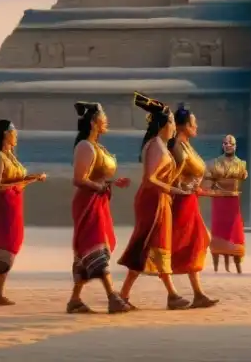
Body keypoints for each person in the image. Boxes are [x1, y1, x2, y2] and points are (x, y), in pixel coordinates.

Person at [118, 93, 191, 310]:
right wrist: (174, 189)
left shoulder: (160, 145)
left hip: (161, 199)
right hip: (152, 200)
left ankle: (126, 294)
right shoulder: (156, 146)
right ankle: (172, 295)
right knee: (148, 243)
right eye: (170, 122)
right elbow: (151, 178)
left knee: (153, 246)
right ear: (163, 124)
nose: (173, 127)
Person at [0, 120, 47, 307]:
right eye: (14, 133)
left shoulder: (11, 156)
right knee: (5, 245)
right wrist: (20, 183)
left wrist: (34, 178)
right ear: (6, 134)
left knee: (8, 246)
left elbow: (18, 180)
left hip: (14, 203)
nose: (16, 136)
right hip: (4, 204)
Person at [67, 102, 131, 314]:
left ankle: (75, 300)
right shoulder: (85, 146)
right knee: (95, 246)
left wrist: (112, 184)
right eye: (104, 117)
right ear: (94, 122)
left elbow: (97, 177)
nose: (107, 121)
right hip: (87, 203)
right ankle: (112, 297)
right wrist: (99, 186)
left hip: (98, 201)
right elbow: (79, 179)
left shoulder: (98, 147)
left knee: (92, 248)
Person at [166, 105, 220, 308]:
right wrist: (184, 187)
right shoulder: (177, 147)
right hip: (180, 202)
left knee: (197, 241)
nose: (196, 126)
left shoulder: (186, 144)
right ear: (184, 126)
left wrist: (197, 188)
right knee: (172, 245)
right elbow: (172, 175)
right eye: (193, 123)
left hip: (190, 200)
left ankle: (197, 293)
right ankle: (172, 292)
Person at [205, 134, 248, 273]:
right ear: (222, 145)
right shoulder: (214, 163)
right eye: (225, 143)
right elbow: (208, 181)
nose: (228, 145)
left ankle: (238, 265)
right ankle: (217, 265)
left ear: (235, 146)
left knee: (235, 231)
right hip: (219, 200)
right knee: (219, 229)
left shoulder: (241, 164)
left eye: (231, 143)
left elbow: (242, 176)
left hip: (233, 201)